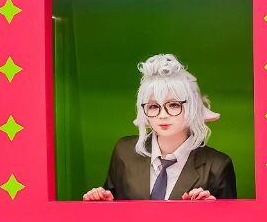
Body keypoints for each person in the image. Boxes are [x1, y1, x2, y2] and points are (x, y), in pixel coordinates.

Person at [83, 54, 236, 201]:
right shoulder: (124, 151)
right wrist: (102, 201)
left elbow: (231, 217)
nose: (162, 115)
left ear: (193, 108)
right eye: (153, 106)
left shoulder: (217, 166)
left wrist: (209, 211)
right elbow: (111, 208)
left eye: (174, 105)